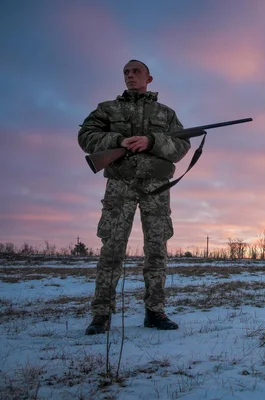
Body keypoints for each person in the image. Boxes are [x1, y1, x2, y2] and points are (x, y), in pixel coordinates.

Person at [78, 60, 190, 335]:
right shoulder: (108, 109)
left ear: (149, 78)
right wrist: (118, 141)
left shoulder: (166, 114)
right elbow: (86, 135)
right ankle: (101, 315)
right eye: (126, 72)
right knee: (112, 249)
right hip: (120, 185)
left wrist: (151, 142)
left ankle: (155, 312)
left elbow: (181, 145)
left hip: (156, 187)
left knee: (156, 249)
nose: (130, 76)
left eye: (135, 71)